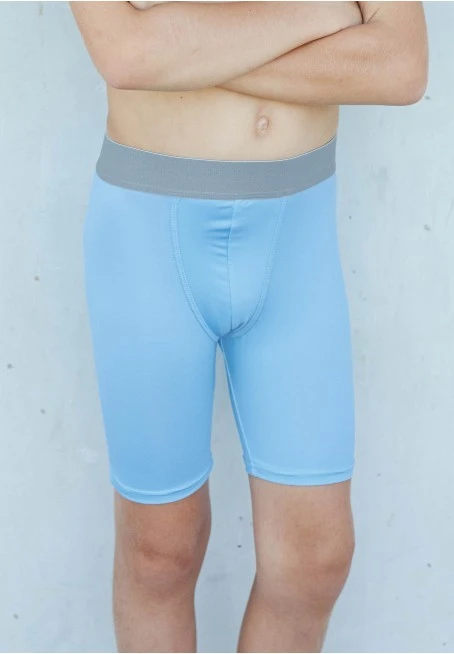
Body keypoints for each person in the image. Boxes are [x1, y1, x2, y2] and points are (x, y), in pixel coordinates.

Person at [70, 2, 428, 652]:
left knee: (314, 560)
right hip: (149, 236)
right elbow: (126, 54)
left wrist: (186, 54)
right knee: (161, 552)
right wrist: (324, 13)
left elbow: (401, 66)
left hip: (296, 238)